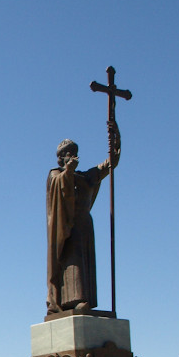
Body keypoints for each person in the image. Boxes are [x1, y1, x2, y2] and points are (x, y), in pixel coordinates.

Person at [46, 124, 120, 314]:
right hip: (66, 227)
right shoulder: (56, 174)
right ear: (61, 157)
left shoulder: (86, 176)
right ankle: (73, 300)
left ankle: (85, 298)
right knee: (73, 260)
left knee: (86, 262)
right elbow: (57, 185)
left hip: (84, 224)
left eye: (74, 152)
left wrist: (115, 137)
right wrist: (68, 172)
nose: (72, 155)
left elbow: (111, 163)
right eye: (68, 152)